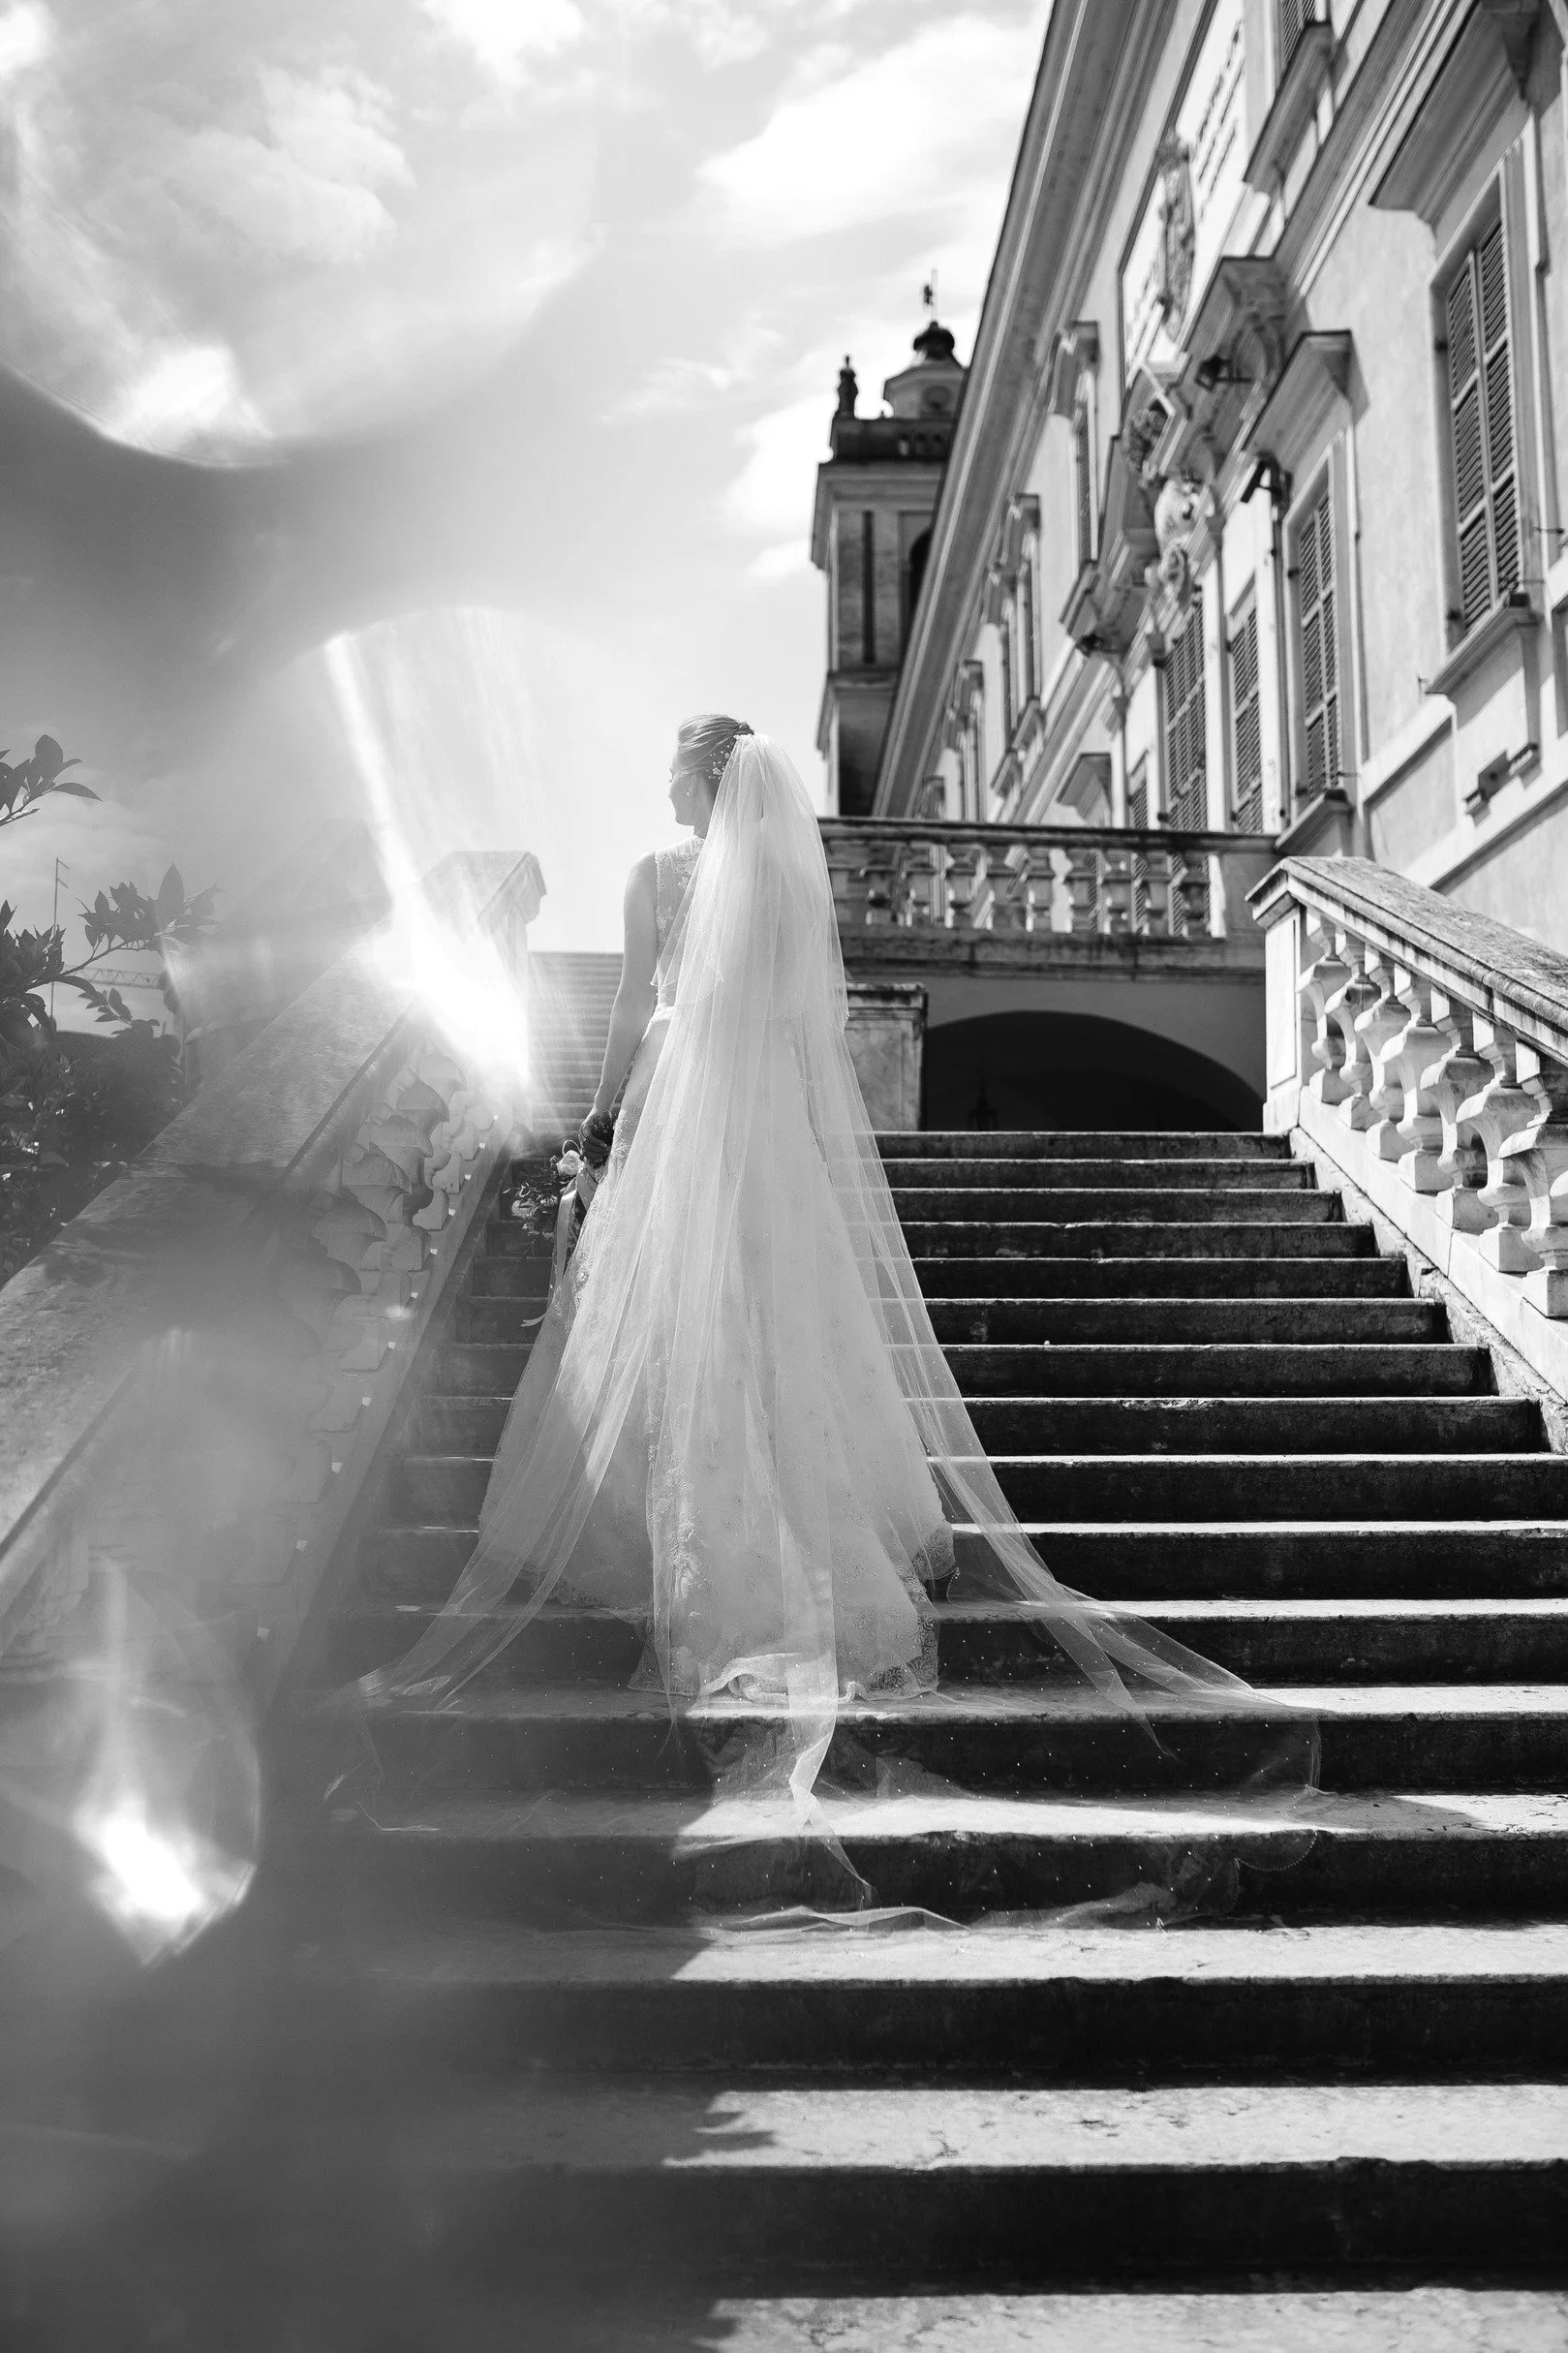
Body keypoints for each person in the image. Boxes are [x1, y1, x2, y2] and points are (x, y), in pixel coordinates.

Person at [362, 719, 1315, 1902]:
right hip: (763, 1127)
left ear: (702, 779)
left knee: (672, 1319)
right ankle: (799, 1539)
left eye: (668, 761)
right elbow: (806, 1030)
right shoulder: (783, 884)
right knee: (780, 1328)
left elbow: (626, 1011)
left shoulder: (658, 877)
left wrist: (603, 1119)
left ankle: (684, 1538)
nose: (656, 776)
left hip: (683, 1110)